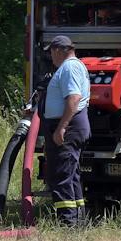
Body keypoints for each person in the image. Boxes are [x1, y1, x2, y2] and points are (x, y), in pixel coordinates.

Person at [42, 34, 91, 226]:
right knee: (71, 175)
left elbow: (73, 98)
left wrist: (61, 127)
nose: (51, 58)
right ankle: (78, 221)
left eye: (51, 53)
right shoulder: (74, 66)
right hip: (74, 125)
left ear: (58, 51)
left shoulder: (69, 67)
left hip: (68, 127)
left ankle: (67, 224)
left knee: (61, 175)